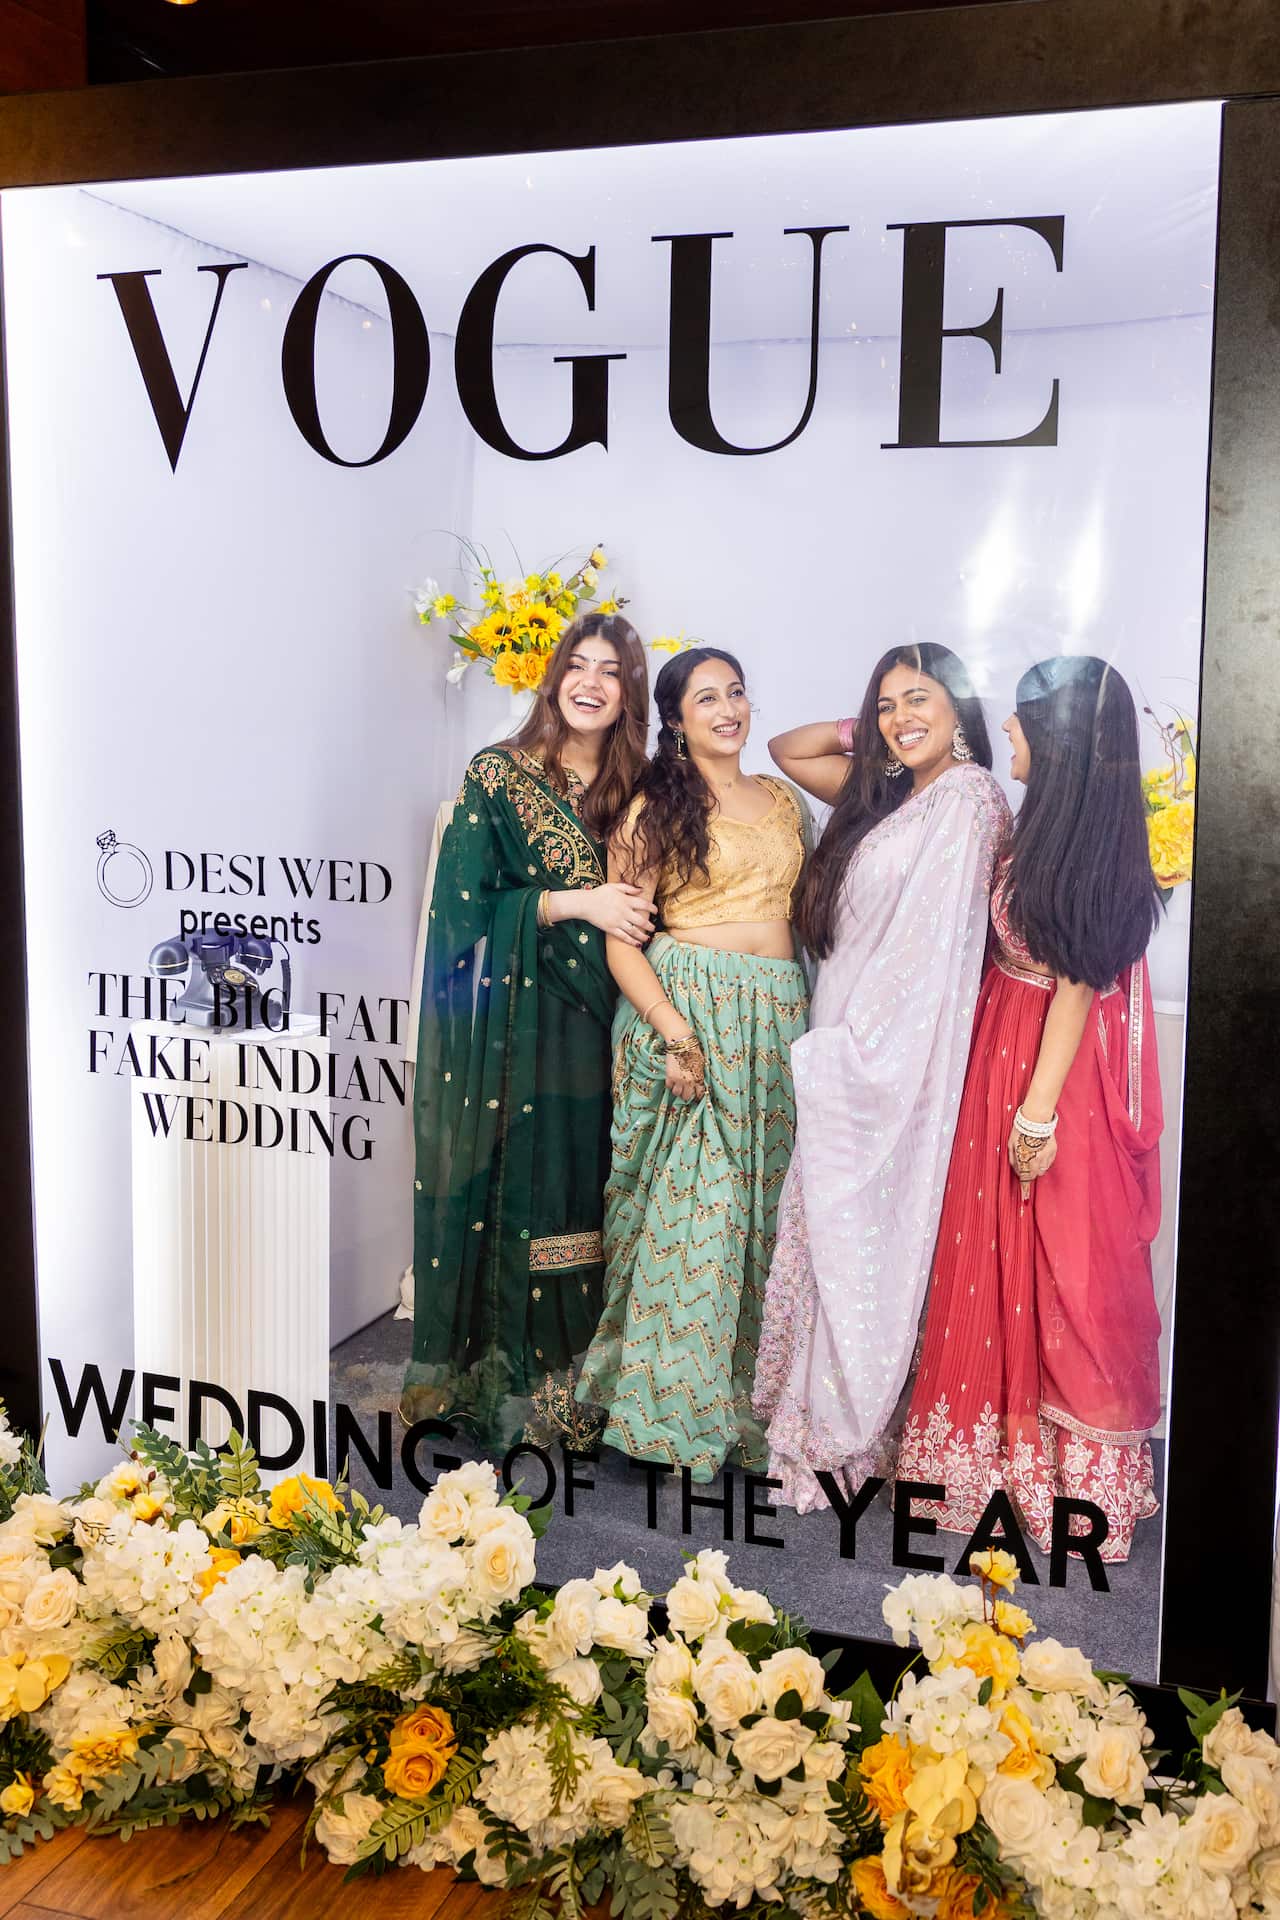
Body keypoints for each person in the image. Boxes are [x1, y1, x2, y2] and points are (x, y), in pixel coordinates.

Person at [897, 654, 1165, 1562]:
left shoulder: (1096, 850)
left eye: (1019, 720)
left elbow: (1081, 986)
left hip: (1047, 1067)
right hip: (998, 1040)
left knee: (1053, 1256)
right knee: (987, 1247)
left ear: (1052, 740)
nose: (1004, 731)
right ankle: (986, 1459)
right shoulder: (1039, 825)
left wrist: (1038, 1112)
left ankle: (1054, 1471)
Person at [753, 643, 1010, 1513]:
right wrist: (880, 729)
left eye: (920, 699)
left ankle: (844, 1433)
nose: (903, 718)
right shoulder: (897, 792)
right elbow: (789, 750)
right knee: (828, 1232)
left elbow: (928, 952)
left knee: (863, 1232)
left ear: (960, 708)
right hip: (842, 1035)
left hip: (881, 1056)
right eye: (888, 704)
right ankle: (811, 1426)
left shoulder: (968, 801)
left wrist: (853, 1060)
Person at [401, 613, 652, 1454]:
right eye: (576, 666)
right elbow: (461, 915)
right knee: (519, 1180)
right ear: (553, 679)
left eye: (609, 671)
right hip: (515, 1022)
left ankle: (575, 1380)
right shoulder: (499, 777)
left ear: (630, 691)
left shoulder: (642, 786)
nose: (590, 682)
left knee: (584, 1183)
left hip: (601, 1022)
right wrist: (577, 902)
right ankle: (497, 1374)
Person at [575, 647, 810, 1482]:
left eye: (737, 692)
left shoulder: (781, 800)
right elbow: (620, 941)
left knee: (761, 1222)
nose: (727, 710)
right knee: (693, 1222)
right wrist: (675, 1032)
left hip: (777, 1021)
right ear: (675, 719)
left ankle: (745, 1411)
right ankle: (666, 1419)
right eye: (705, 698)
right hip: (692, 1018)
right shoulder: (654, 809)